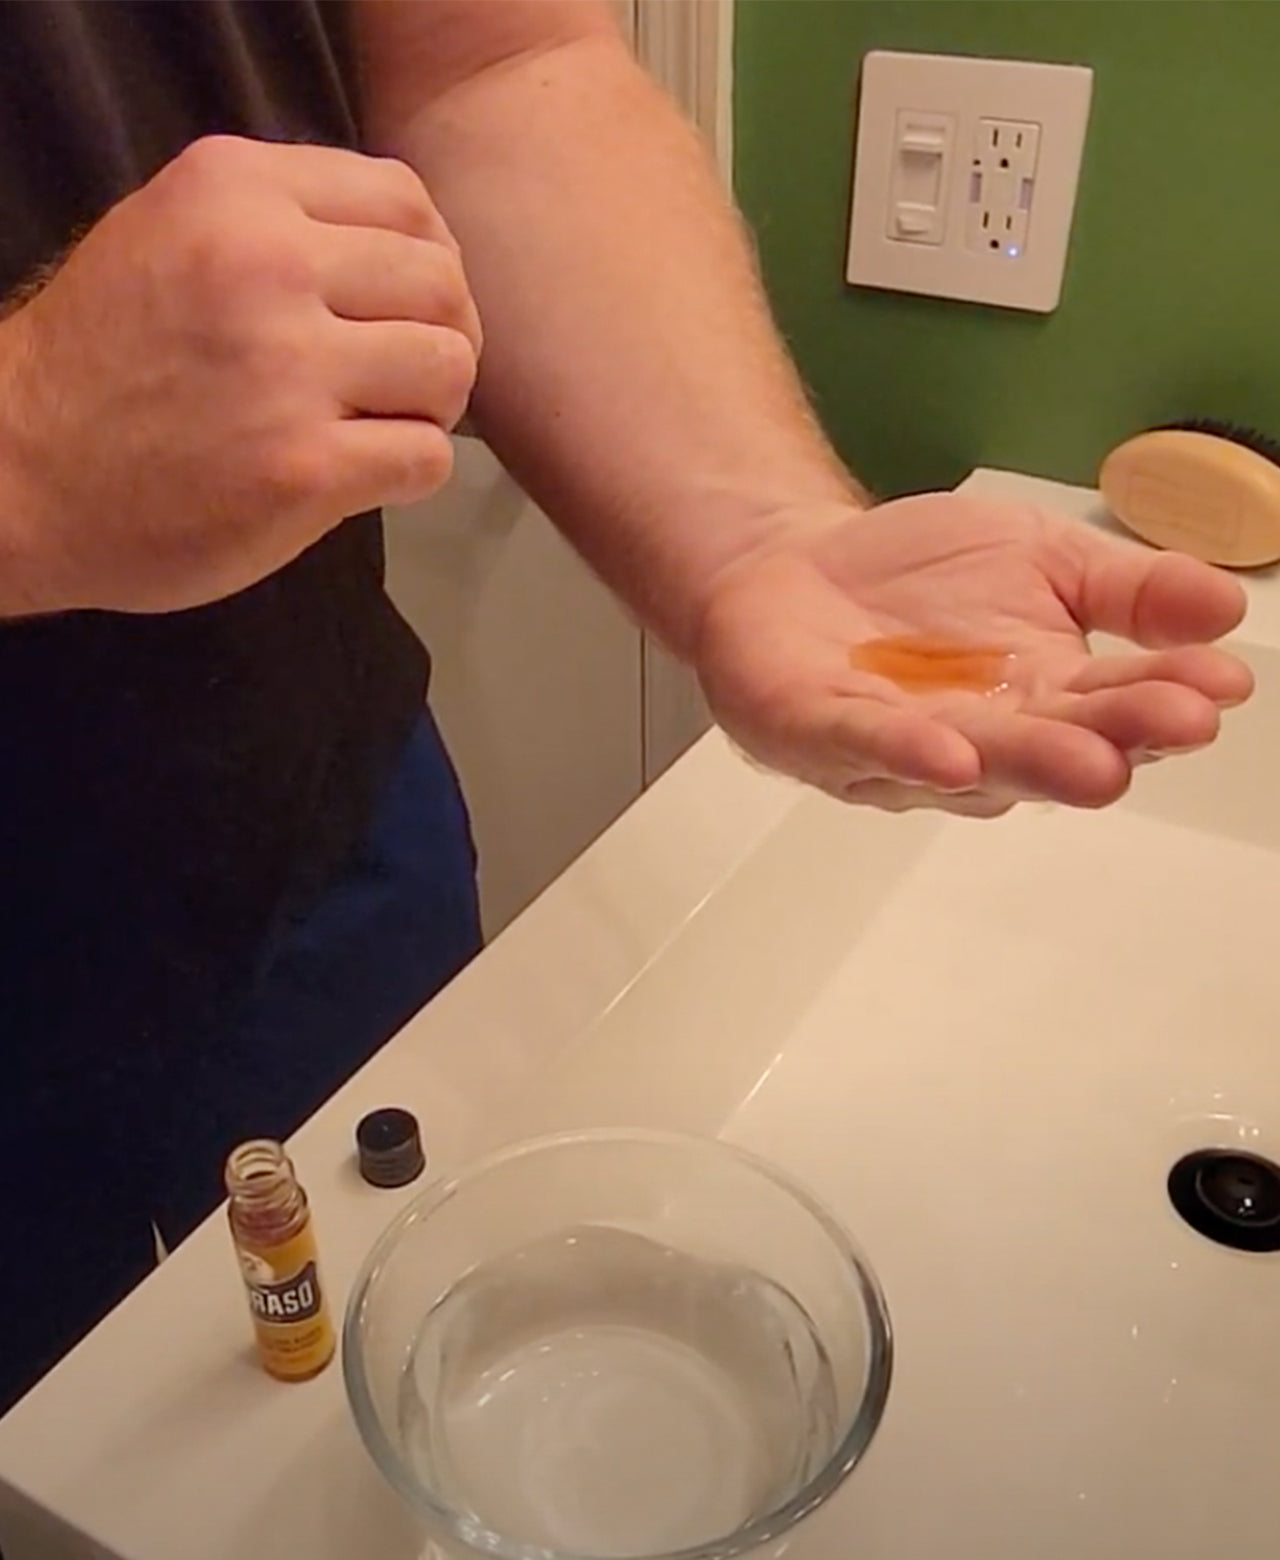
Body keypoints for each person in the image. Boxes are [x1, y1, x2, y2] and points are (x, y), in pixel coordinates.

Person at [0, 0, 1250, 1415]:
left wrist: (756, 539)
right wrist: (24, 454)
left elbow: (500, 64)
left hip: (316, 824)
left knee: (379, 1380)